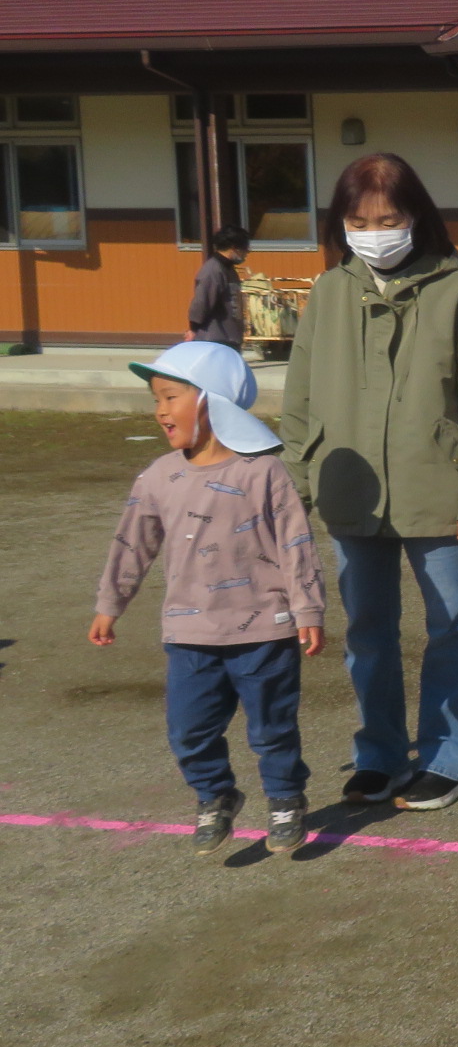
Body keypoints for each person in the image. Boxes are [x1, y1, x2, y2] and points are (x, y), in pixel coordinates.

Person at [281, 152, 458, 812]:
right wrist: (292, 487)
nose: (374, 233)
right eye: (359, 221)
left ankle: (453, 759)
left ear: (415, 217)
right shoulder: (329, 292)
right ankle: (378, 755)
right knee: (367, 629)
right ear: (341, 223)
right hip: (350, 486)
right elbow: (299, 399)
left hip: (438, 486)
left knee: (454, 625)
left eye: (388, 220)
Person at [90, 341, 325, 856]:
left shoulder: (263, 472)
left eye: (171, 397)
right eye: (156, 399)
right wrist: (111, 603)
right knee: (188, 730)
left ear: (211, 401)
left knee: (271, 729)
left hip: (264, 629)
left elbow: (296, 544)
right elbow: (132, 543)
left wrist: (307, 608)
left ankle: (285, 799)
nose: (160, 411)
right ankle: (215, 794)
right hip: (189, 633)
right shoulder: (159, 476)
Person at [185, 226, 250, 347]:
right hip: (214, 339)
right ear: (234, 248)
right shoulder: (213, 270)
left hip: (229, 337)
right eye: (245, 248)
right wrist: (193, 328)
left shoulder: (228, 269)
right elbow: (201, 301)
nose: (247, 252)